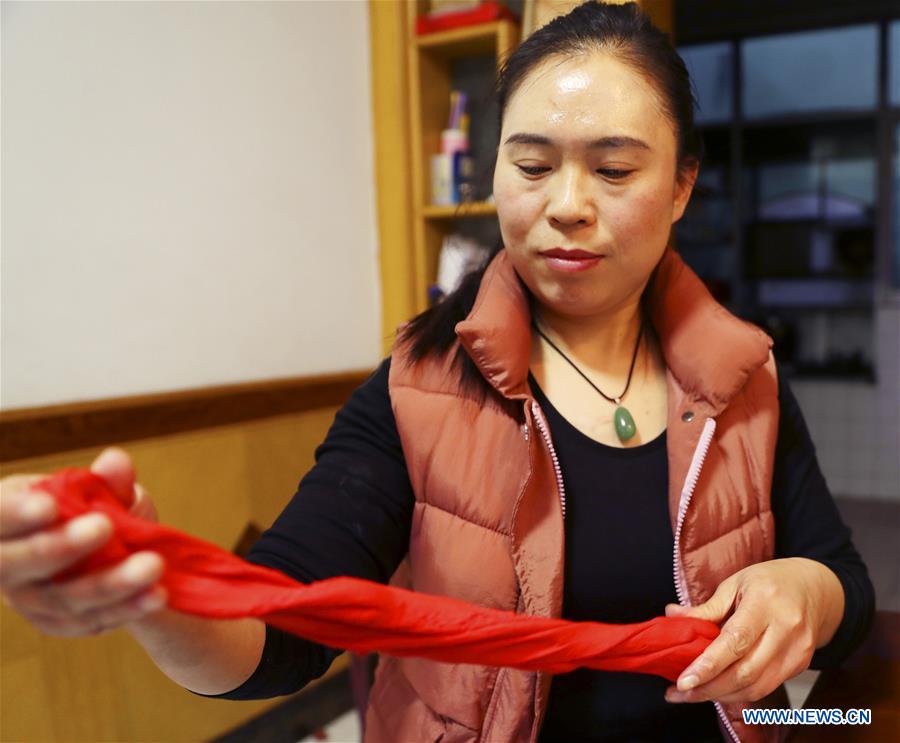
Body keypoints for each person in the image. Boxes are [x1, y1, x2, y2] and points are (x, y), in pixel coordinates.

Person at [0, 3, 875, 742]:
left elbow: (848, 597)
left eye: (613, 169)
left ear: (683, 186)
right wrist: (154, 592)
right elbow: (280, 634)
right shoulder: (414, 391)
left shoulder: (744, 379)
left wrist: (808, 592)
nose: (565, 204)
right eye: (531, 165)